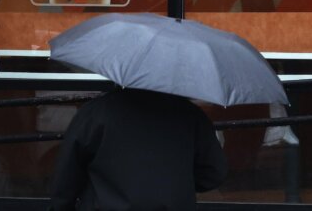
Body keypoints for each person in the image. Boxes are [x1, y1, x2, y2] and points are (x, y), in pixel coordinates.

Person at [47, 88, 228, 211]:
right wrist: (177, 184)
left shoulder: (96, 112)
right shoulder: (192, 115)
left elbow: (66, 178)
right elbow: (213, 174)